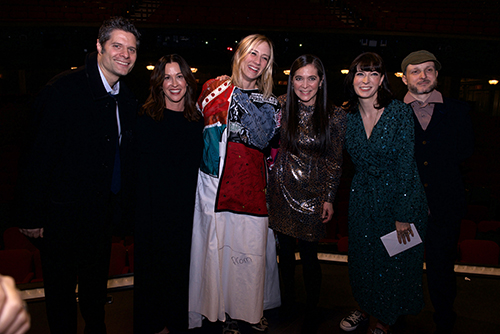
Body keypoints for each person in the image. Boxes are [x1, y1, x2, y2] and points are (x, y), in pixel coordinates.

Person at [16, 17, 140, 334]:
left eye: (132, 49)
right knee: (60, 298)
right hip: (62, 217)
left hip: (100, 218)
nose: (126, 54)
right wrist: (31, 215)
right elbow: (36, 156)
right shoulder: (62, 91)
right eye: (117, 46)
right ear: (99, 47)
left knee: (95, 293)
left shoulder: (125, 98)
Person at [188, 34, 281, 334]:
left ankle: (250, 311)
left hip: (250, 187)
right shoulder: (212, 88)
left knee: (249, 254)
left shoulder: (270, 103)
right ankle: (222, 312)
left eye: (264, 58)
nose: (257, 61)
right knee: (217, 251)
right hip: (213, 185)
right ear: (240, 54)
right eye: (253, 53)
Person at [339, 52, 428, 334]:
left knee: (393, 263)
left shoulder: (400, 112)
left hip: (399, 198)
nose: (366, 80)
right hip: (363, 199)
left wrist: (402, 215)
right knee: (364, 259)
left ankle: (385, 318)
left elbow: (406, 164)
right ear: (352, 78)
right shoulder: (347, 116)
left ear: (381, 80)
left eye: (373, 74)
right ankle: (365, 306)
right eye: (360, 73)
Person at [267, 54, 346, 332]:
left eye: (311, 78)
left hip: (313, 195)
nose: (305, 84)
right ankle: (288, 303)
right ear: (291, 81)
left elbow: (335, 161)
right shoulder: (280, 104)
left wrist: (328, 197)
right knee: (285, 255)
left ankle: (312, 309)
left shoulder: (336, 116)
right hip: (281, 191)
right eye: (298, 78)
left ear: (321, 81)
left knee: (310, 256)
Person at [401, 50, 474, 334]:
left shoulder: (459, 110)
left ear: (437, 75)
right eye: (415, 71)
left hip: (445, 206)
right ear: (404, 77)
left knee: (442, 270)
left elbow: (465, 152)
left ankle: (444, 319)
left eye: (429, 70)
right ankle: (398, 315)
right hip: (403, 211)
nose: (423, 76)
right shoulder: (391, 111)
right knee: (403, 267)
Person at [134, 54, 203, 334]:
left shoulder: (198, 120)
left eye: (179, 76)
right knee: (155, 273)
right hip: (154, 212)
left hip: (188, 212)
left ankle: (178, 322)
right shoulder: (145, 119)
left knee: (182, 273)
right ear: (158, 84)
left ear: (188, 81)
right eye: (167, 77)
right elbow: (138, 174)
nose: (174, 83)